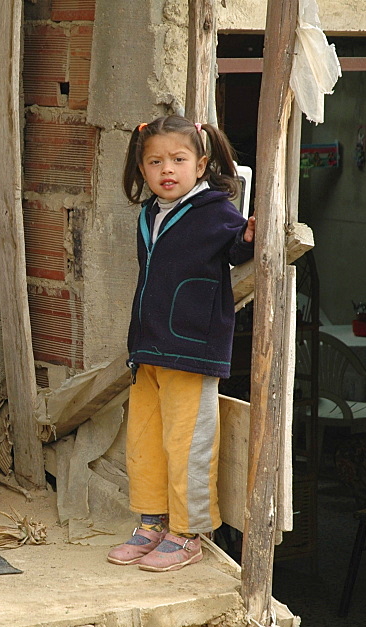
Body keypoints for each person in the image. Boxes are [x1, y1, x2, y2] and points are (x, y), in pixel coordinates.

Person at [107, 115, 256, 573]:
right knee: (145, 440)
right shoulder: (149, 213)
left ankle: (188, 531)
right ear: (142, 167)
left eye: (178, 159)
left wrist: (250, 235)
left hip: (192, 349)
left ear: (201, 164)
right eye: (155, 162)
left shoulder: (214, 209)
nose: (166, 169)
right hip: (150, 348)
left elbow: (237, 249)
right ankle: (151, 523)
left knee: (188, 443)